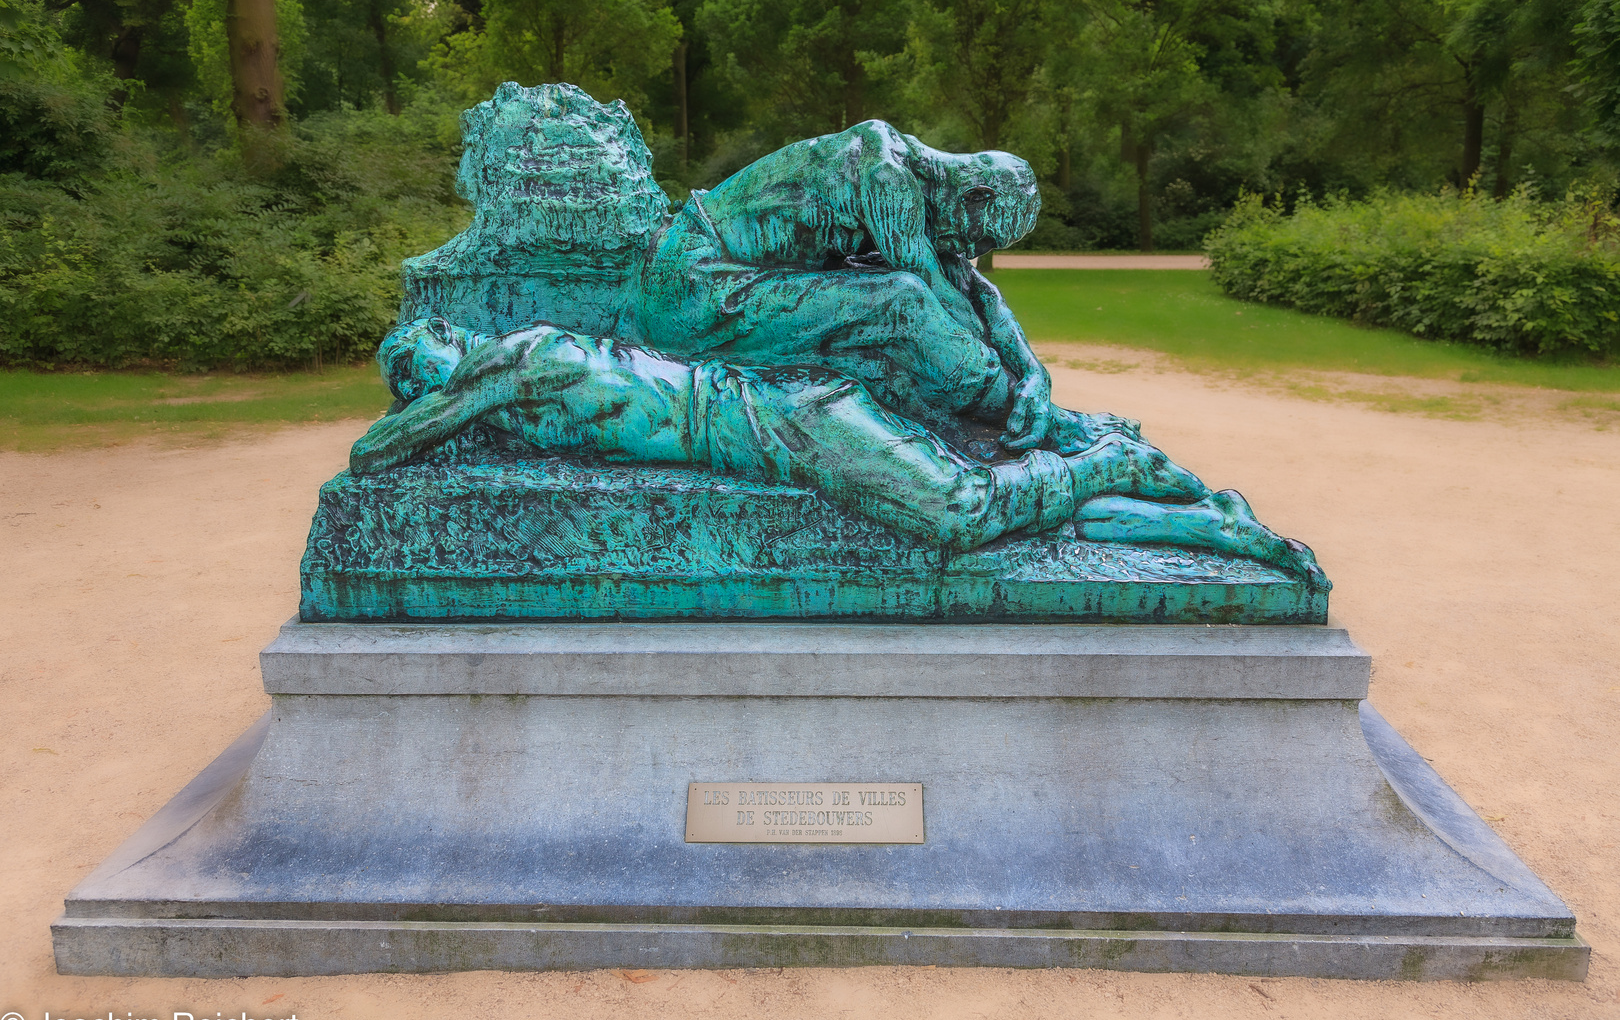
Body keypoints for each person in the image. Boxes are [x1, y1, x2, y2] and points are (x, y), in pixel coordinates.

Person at [351, 317, 1325, 581]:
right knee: (979, 514)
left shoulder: (513, 358)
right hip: (785, 430)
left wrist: (429, 402)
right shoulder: (518, 391)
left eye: (420, 362)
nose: (423, 382)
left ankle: (1111, 460)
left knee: (959, 514)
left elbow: (379, 452)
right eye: (414, 372)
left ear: (448, 343)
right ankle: (1207, 524)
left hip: (788, 426)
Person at [631, 120, 1127, 454]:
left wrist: (1034, 374)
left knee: (900, 304)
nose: (968, 250)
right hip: (698, 288)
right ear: (976, 196)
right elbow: (932, 294)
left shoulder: (934, 199)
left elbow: (976, 293)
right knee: (902, 301)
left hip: (755, 281)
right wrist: (1020, 389)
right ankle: (1033, 424)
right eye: (980, 237)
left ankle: (1029, 408)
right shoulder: (886, 175)